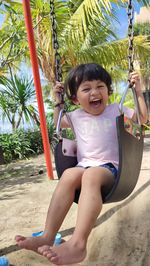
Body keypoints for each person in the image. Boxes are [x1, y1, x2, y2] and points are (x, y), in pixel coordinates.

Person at [15, 63, 148, 265]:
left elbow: (143, 118)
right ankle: (48, 235)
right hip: (83, 166)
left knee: (91, 175)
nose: (94, 92)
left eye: (100, 86)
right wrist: (57, 101)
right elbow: (57, 120)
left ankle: (78, 243)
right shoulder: (75, 116)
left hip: (110, 169)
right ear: (76, 99)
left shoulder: (116, 110)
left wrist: (138, 91)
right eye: (86, 89)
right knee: (69, 175)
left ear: (108, 91)